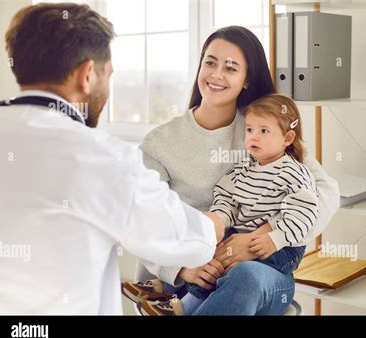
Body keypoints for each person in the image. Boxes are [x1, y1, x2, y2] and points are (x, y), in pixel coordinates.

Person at [0, 3, 224, 315]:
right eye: (108, 75)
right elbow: (188, 240)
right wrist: (217, 222)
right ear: (87, 74)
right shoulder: (100, 158)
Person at [129, 26, 340, 315]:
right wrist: (181, 268)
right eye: (210, 62)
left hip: (259, 272)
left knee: (246, 278)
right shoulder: (160, 143)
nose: (216, 75)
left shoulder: (262, 128)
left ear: (246, 80)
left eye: (230, 68)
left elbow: (326, 193)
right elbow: (139, 219)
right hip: (192, 275)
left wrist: (262, 238)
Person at [136, 94, 320, 316]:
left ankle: (180, 306)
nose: (254, 137)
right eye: (250, 130)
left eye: (264, 131)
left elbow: (305, 214)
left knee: (239, 272)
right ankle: (171, 295)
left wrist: (274, 238)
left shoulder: (294, 173)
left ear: (288, 138)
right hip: (240, 238)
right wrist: (219, 218)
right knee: (212, 256)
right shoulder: (244, 167)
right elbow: (227, 197)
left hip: (281, 249)